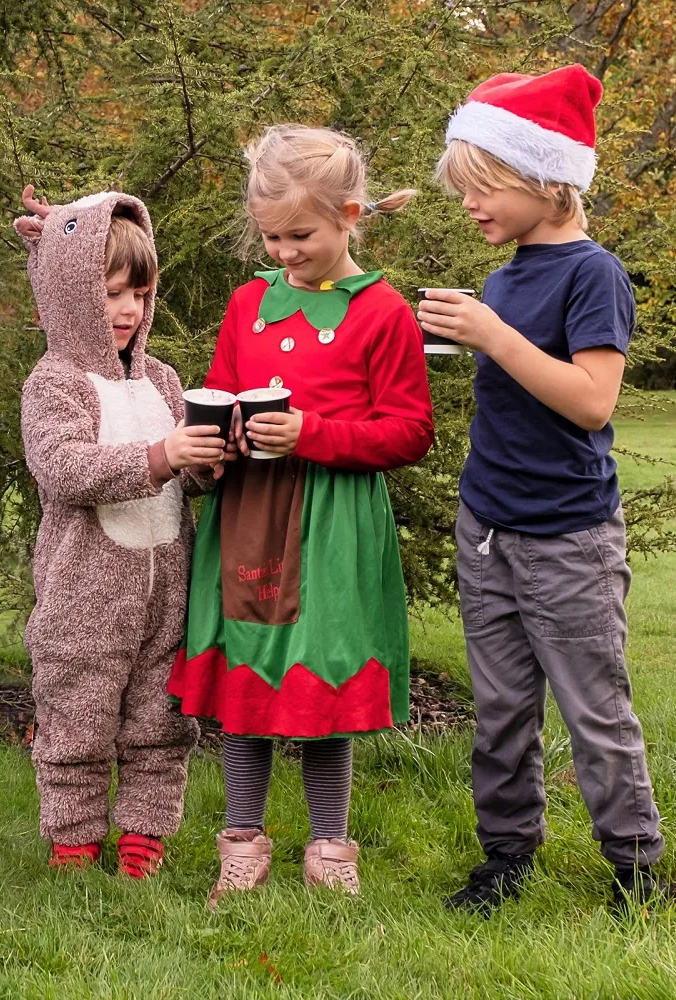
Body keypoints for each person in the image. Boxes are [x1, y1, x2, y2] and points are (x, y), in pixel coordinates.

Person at [418, 65, 676, 912]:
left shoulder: (591, 274)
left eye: (484, 186)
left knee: (592, 712)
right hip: (488, 525)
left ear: (546, 178)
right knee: (499, 712)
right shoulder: (504, 276)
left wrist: (493, 336)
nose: (470, 204)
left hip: (568, 538)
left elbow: (591, 400)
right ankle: (507, 856)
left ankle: (636, 867)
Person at [167, 125, 434, 905]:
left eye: (300, 235)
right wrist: (215, 445)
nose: (284, 251)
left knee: (323, 677)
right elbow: (219, 387)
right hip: (249, 513)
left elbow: (410, 430)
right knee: (246, 675)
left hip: (332, 527)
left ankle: (328, 846)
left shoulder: (380, 312)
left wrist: (312, 433)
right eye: (271, 236)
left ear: (350, 214)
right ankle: (242, 842)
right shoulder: (248, 302)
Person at [15, 186, 225, 876]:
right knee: (75, 717)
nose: (127, 311)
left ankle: (144, 837)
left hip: (166, 595)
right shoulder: (56, 383)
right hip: (83, 598)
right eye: (109, 294)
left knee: (160, 724)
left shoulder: (163, 381)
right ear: (73, 298)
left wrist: (209, 462)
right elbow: (65, 467)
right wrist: (161, 457)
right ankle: (75, 837)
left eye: (138, 293)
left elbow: (184, 473)